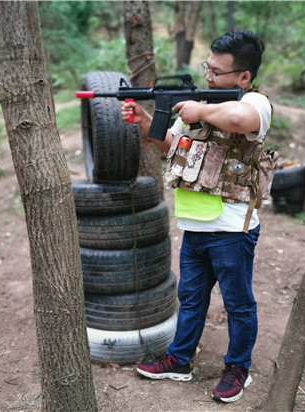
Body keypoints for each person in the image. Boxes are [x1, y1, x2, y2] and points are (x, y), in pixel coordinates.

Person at [121, 30, 272, 404]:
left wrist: (201, 108)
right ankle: (180, 359)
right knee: (190, 299)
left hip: (231, 228)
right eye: (208, 67)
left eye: (218, 72)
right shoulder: (201, 100)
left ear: (243, 77)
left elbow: (240, 119)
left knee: (238, 304)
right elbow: (173, 146)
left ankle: (238, 367)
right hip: (194, 224)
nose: (208, 76)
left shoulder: (255, 102)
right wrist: (144, 121)